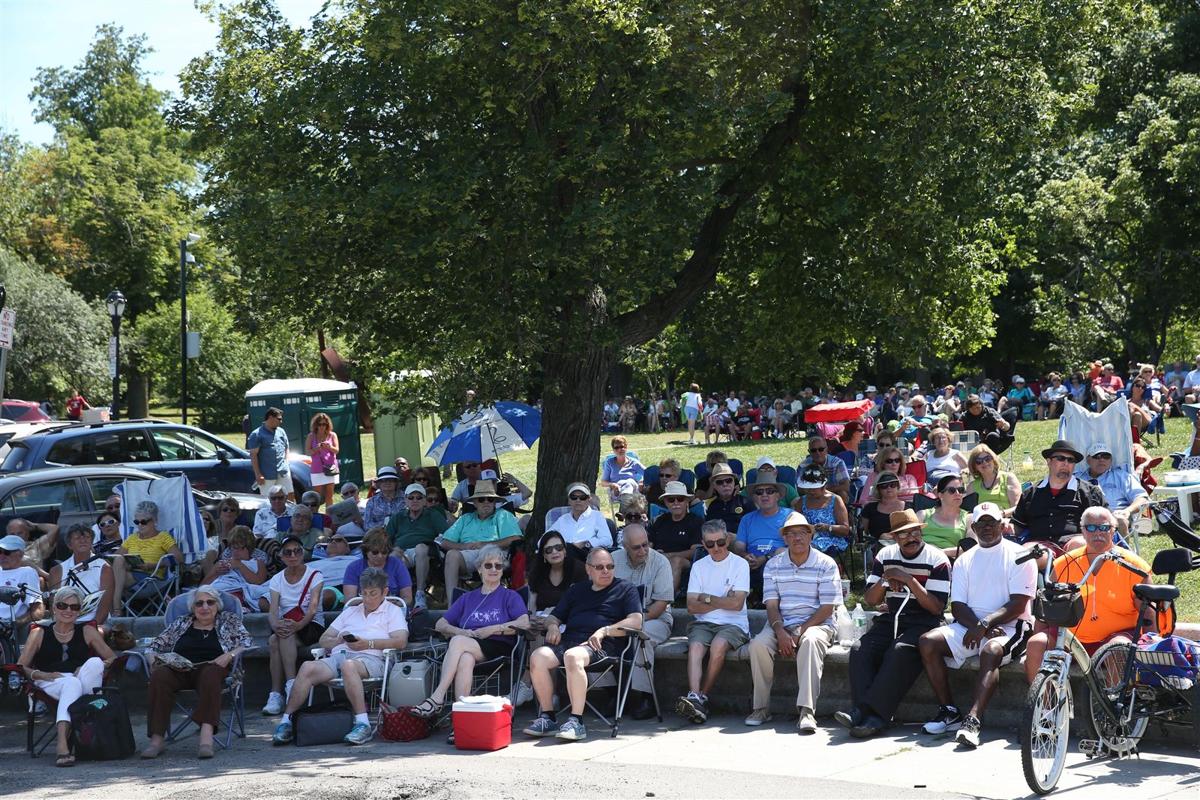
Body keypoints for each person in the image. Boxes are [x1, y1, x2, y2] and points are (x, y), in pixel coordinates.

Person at [917, 502, 1036, 748]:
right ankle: (949, 712)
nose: (986, 528)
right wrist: (978, 626)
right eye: (981, 523)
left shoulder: (1020, 556)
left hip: (1013, 627)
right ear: (973, 527)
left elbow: (1018, 604)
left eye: (992, 522)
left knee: (990, 651)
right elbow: (957, 606)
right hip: (972, 623)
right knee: (928, 642)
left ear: (1002, 525)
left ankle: (973, 721)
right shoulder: (964, 560)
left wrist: (984, 624)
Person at [834, 510, 950, 738]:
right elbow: (870, 599)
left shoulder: (937, 560)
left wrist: (908, 580)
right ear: (894, 537)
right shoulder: (884, 556)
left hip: (923, 621)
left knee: (899, 651)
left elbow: (936, 607)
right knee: (860, 649)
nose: (912, 537)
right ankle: (863, 714)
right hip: (892, 616)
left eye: (915, 531)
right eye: (904, 534)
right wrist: (886, 579)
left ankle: (873, 716)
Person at [272, 567, 409, 746]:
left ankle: (363, 724)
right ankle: (286, 722)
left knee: (349, 666)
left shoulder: (392, 611)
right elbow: (323, 640)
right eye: (364, 593)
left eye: (373, 594)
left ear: (385, 592)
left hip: (373, 659)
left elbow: (401, 641)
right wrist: (339, 640)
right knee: (307, 667)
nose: (367, 599)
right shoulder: (351, 611)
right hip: (341, 655)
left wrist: (367, 644)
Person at [522, 547, 642, 742]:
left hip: (604, 645)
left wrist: (605, 630)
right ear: (588, 569)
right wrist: (552, 626)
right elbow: (554, 616)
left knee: (572, 656)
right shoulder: (577, 590)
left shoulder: (625, 589)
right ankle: (548, 717)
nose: (606, 571)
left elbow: (636, 621)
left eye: (610, 566)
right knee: (538, 656)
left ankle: (576, 721)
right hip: (570, 641)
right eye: (600, 567)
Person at [1023, 506, 1153, 683]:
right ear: (1083, 531)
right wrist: (1037, 635)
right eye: (1091, 527)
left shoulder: (1134, 565)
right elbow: (1047, 607)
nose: (1097, 533)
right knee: (1036, 644)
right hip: (1070, 638)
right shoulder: (1064, 564)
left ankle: (1112, 707)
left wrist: (1153, 647)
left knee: (1119, 647)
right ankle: (1043, 706)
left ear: (1113, 530)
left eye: (1104, 527)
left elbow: (1148, 612)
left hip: (1115, 636)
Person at [745, 511, 842, 733]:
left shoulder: (826, 563)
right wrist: (780, 631)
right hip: (781, 622)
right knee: (758, 645)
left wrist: (799, 630)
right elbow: (771, 604)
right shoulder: (773, 565)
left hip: (818, 623)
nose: (797, 538)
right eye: (791, 534)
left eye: (801, 533)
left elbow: (828, 607)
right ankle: (761, 708)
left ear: (810, 536)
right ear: (785, 539)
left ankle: (807, 711)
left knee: (809, 642)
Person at [411, 545, 529, 724]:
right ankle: (461, 719)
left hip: (499, 646)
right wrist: (461, 631)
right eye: (488, 565)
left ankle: (437, 697)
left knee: (459, 643)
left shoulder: (510, 596)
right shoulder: (468, 598)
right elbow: (440, 624)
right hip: (470, 643)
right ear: (479, 568)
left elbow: (524, 623)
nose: (494, 569)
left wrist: (494, 628)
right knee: (465, 657)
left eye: (498, 565)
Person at [141, 586, 253, 759]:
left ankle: (206, 738)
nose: (205, 607)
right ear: (193, 608)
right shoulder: (181, 622)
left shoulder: (228, 620)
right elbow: (152, 647)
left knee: (210, 674)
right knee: (159, 676)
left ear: (218, 605)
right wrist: (153, 661)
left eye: (210, 602)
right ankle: (157, 740)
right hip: (180, 668)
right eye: (199, 603)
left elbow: (246, 642)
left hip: (213, 668)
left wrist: (229, 655)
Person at [15, 585, 114, 766]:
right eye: (62, 605)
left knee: (93, 664)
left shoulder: (87, 631)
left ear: (79, 611)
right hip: (49, 681)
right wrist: (41, 674)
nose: (68, 610)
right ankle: (65, 742)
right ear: (53, 608)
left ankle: (69, 742)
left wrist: (84, 668)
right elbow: (21, 666)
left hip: (79, 682)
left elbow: (112, 658)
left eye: (74, 607)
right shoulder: (39, 633)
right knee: (70, 683)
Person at [677, 520, 750, 725]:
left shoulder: (740, 564)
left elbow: (736, 605)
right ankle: (694, 696)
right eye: (710, 544)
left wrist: (706, 597)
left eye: (720, 542)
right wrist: (723, 600)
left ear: (727, 540)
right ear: (703, 544)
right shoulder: (699, 566)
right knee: (695, 646)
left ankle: (701, 698)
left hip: (734, 624)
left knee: (718, 645)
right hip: (703, 623)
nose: (716, 548)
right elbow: (691, 606)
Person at [613, 523, 675, 720]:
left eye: (645, 545)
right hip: (618, 618)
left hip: (654, 617)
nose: (642, 551)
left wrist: (633, 622)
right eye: (636, 547)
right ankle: (608, 693)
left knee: (641, 636)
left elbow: (661, 604)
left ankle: (643, 696)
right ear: (625, 547)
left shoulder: (660, 562)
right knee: (593, 630)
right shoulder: (613, 561)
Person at [262, 536, 325, 716]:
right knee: (275, 639)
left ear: (302, 552)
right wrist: (275, 624)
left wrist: (297, 625)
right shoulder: (276, 579)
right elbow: (273, 609)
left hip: (311, 623)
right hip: (287, 624)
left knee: (282, 636)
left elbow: (313, 609)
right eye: (287, 552)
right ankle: (279, 692)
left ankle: (288, 688)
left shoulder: (315, 575)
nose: (293, 555)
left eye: (296, 551)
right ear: (281, 556)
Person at [1012, 439, 1106, 559]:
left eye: (1071, 460)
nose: (1066, 463)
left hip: (1073, 542)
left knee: (1080, 547)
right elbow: (1018, 524)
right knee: (1025, 555)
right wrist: (1006, 527)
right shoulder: (1030, 493)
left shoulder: (1089, 492)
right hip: (1041, 545)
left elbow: (1106, 520)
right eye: (1061, 458)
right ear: (1049, 461)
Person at [440, 479, 523, 590]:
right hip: (469, 554)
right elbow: (445, 542)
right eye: (481, 499)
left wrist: (484, 544)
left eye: (490, 499)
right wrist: (464, 546)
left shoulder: (503, 515)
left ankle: (491, 598)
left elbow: (515, 538)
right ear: (474, 503)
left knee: (489, 553)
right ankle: (452, 604)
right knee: (451, 555)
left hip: (495, 553)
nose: (486, 502)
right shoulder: (465, 519)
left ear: (494, 502)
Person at [386, 483, 450, 610]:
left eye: (419, 497)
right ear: (405, 500)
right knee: (393, 555)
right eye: (411, 497)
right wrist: (393, 548)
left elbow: (447, 534)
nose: (415, 500)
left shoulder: (432, 515)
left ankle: (420, 594)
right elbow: (386, 539)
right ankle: (394, 595)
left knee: (420, 548)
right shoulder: (398, 517)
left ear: (425, 500)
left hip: (426, 552)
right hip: (402, 552)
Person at [111, 501, 183, 607]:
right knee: (116, 562)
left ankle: (115, 606)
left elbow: (179, 558)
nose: (140, 525)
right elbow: (114, 558)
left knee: (110, 578)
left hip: (151, 580)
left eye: (144, 522)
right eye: (137, 522)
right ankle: (112, 608)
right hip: (129, 576)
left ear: (154, 521)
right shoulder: (132, 538)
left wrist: (153, 565)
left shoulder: (163, 537)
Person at [1073, 442, 1149, 539]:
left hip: (1114, 517)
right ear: (1088, 460)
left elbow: (1142, 498)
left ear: (1111, 460)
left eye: (1106, 456)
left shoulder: (1122, 476)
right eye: (1097, 456)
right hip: (1084, 518)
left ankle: (1122, 552)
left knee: (1121, 519)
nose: (1101, 459)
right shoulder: (1077, 478)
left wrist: (1127, 511)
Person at [733, 472, 791, 595]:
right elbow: (739, 546)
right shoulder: (747, 519)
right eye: (759, 492)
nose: (764, 495)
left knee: (780, 553)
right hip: (751, 561)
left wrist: (766, 558)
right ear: (754, 497)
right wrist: (746, 556)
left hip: (779, 561)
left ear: (778, 496)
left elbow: (795, 546)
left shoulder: (790, 516)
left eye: (770, 491)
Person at [48, 524, 114, 627]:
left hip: (97, 624)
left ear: (92, 542)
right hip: (65, 625)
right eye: (78, 538)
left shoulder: (105, 568)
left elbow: (105, 605)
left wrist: (92, 627)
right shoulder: (56, 571)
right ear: (70, 545)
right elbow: (54, 605)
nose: (83, 541)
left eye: (87, 537)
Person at [647, 480, 704, 592]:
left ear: (687, 501)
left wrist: (668, 556)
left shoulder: (696, 521)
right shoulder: (658, 521)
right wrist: (655, 555)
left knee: (676, 561)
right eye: (671, 499)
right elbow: (648, 545)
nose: (676, 503)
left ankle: (665, 600)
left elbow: (695, 551)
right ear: (666, 502)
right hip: (658, 559)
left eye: (680, 499)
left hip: (685, 562)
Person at [344, 527, 413, 605]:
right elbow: (349, 601)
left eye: (384, 552)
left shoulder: (397, 565)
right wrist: (376, 602)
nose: (380, 556)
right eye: (375, 552)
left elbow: (407, 598)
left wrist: (395, 605)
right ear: (366, 551)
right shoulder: (353, 568)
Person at [794, 465, 851, 558]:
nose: (810, 491)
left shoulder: (835, 500)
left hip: (832, 542)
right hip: (808, 540)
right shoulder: (801, 502)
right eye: (807, 488)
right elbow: (795, 525)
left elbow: (845, 530)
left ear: (824, 486)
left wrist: (828, 527)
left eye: (813, 488)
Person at [547, 482, 612, 552]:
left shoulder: (597, 516)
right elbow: (543, 540)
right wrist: (559, 547)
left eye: (583, 497)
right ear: (569, 500)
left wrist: (586, 543)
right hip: (564, 556)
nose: (578, 500)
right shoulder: (562, 519)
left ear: (589, 500)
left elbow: (608, 540)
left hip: (587, 555)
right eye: (574, 497)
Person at [248, 407, 293, 500]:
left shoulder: (281, 431)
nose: (281, 422)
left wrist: (286, 463)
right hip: (266, 475)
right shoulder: (256, 434)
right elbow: (253, 455)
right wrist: (258, 475)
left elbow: (286, 448)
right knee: (267, 500)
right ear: (271, 417)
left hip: (283, 472)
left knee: (289, 496)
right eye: (279, 419)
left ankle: (290, 514)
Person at [919, 475, 971, 556]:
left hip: (949, 561)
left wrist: (940, 553)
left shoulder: (968, 518)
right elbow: (908, 537)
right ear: (940, 495)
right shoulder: (923, 514)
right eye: (951, 490)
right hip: (921, 557)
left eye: (961, 490)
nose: (958, 494)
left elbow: (972, 547)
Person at [859, 473, 912, 545]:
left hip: (904, 545)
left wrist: (894, 536)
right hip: (877, 546)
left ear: (898, 486)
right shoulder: (870, 508)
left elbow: (914, 530)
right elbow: (864, 532)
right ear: (878, 489)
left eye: (893, 484)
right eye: (884, 486)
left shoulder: (909, 507)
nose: (889, 488)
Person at [965, 444, 1021, 510]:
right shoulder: (971, 487)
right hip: (981, 519)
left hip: (1005, 518)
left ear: (993, 460)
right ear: (974, 466)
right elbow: (969, 513)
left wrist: (1002, 514)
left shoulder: (1008, 478)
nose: (984, 463)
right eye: (978, 461)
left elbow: (1018, 507)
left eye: (987, 459)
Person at [704, 462, 751, 535]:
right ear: (714, 486)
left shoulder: (746, 502)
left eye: (728, 480)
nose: (725, 484)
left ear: (734, 482)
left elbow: (755, 528)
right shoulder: (712, 506)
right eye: (719, 482)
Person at [798, 439, 851, 504]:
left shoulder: (837, 463)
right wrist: (814, 491)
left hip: (832, 494)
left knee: (842, 494)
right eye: (813, 450)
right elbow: (799, 489)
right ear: (809, 452)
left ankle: (844, 513)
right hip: (810, 495)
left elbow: (846, 486)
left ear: (826, 450)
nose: (817, 453)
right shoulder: (803, 466)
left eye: (821, 449)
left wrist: (821, 491)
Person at [305, 412, 340, 509]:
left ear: (327, 425)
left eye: (324, 424)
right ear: (316, 425)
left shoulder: (332, 435)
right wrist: (317, 448)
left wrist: (329, 447)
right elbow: (308, 452)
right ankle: (316, 516)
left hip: (330, 468)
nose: (322, 427)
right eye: (320, 424)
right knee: (317, 497)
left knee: (330, 497)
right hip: (317, 469)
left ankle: (329, 518)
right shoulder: (311, 436)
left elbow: (336, 450)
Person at [362, 466, 406, 531]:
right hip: (379, 535)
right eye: (383, 480)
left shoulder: (407, 498)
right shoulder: (372, 501)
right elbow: (367, 525)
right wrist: (385, 525)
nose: (387, 483)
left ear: (396, 483)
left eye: (391, 480)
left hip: (402, 533)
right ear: (379, 483)